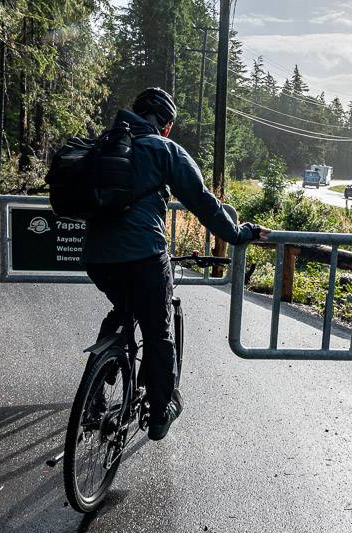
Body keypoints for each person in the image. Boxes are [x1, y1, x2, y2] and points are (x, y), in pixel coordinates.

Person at [82, 87, 267, 441]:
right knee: (157, 331)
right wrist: (238, 233)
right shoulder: (163, 149)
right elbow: (201, 201)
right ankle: (159, 411)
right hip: (144, 255)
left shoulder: (104, 145)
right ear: (165, 125)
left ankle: (95, 391)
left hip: (97, 256)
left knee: (123, 309)